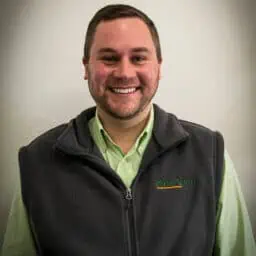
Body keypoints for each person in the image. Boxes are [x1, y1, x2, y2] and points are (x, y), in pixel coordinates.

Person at [1, 4, 256, 256]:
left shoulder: (209, 156)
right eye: (109, 58)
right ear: (86, 67)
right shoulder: (37, 163)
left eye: (138, 58)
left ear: (159, 66)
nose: (124, 73)